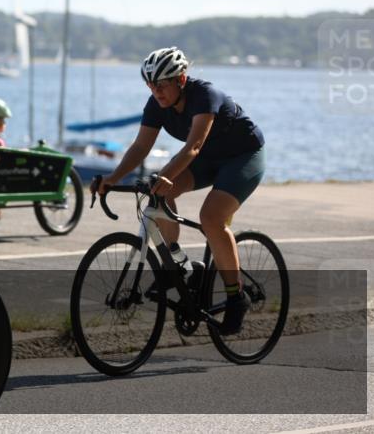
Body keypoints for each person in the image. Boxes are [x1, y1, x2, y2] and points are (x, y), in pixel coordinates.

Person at [95, 47, 266, 335]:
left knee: (211, 218)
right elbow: (140, 147)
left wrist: (165, 175)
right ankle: (180, 265)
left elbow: (194, 146)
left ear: (181, 79)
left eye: (161, 85)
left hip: (242, 156)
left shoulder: (204, 96)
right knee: (159, 194)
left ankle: (237, 298)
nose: (156, 92)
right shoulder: (156, 104)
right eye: (150, 85)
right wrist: (112, 178)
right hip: (207, 160)